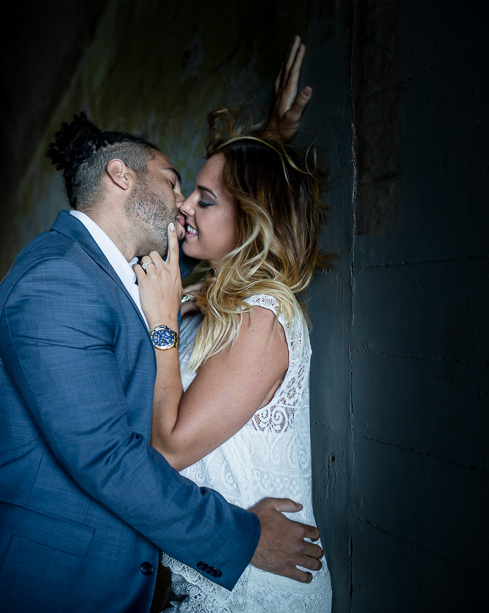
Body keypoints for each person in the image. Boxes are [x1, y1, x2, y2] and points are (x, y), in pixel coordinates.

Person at [0, 37, 320, 613]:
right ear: (121, 177)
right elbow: (109, 457)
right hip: (51, 580)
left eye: (196, 196)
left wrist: (270, 139)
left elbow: (242, 207)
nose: (182, 204)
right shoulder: (59, 282)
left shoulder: (140, 278)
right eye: (176, 181)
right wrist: (241, 537)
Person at [134, 102, 332, 610]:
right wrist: (272, 136)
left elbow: (172, 447)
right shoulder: (205, 298)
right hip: (221, 564)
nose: (184, 208)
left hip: (258, 588)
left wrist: (161, 328)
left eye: (204, 200)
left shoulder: (261, 317)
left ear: (250, 219)